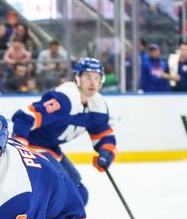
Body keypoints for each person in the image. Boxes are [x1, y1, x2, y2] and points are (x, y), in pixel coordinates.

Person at [10, 57, 116, 206]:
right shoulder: (65, 99)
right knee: (65, 191)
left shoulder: (97, 105)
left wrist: (106, 153)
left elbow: (103, 135)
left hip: (50, 148)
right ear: (77, 78)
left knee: (79, 193)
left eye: (97, 78)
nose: (93, 82)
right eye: (87, 77)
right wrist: (18, 147)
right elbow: (24, 116)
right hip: (32, 146)